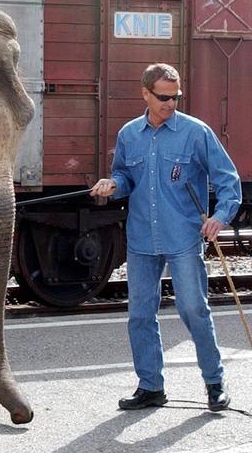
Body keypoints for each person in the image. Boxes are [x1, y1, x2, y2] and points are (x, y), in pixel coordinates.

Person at [91, 63, 241, 412]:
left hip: (184, 237)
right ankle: (150, 387)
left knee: (193, 310)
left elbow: (228, 180)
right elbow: (125, 177)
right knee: (140, 315)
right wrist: (113, 186)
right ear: (145, 93)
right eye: (164, 97)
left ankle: (215, 383)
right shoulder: (129, 134)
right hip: (142, 237)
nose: (171, 104)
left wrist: (220, 217)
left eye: (176, 97)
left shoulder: (196, 132)